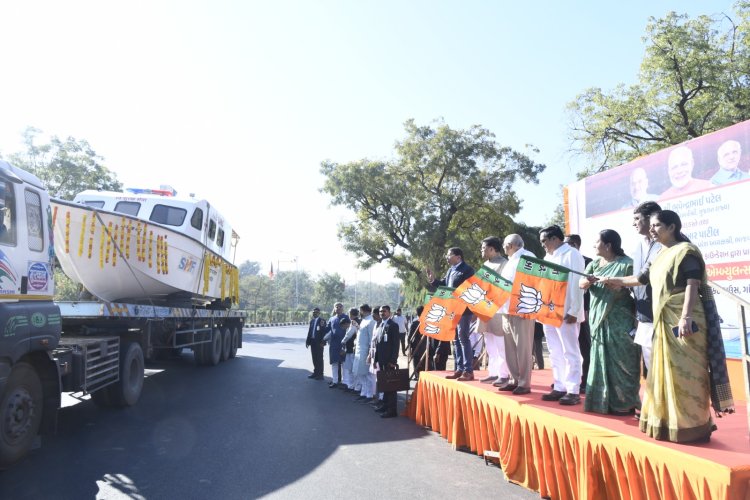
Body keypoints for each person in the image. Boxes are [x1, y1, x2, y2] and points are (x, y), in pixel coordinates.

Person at [603, 210, 734, 442]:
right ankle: (666, 424)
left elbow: (693, 285)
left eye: (656, 226)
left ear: (672, 227)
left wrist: (685, 317)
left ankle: (693, 426)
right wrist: (612, 280)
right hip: (663, 323)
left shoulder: (686, 251)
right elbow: (640, 279)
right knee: (664, 374)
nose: (651, 230)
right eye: (651, 226)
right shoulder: (659, 254)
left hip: (685, 323)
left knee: (688, 375)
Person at [579, 229, 640, 415]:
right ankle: (601, 402)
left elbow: (637, 288)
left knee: (623, 360)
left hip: (620, 318)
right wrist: (588, 282)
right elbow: (581, 283)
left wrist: (618, 283)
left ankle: (625, 403)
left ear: (608, 245)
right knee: (600, 358)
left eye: (597, 241)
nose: (593, 245)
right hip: (598, 317)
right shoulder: (594, 263)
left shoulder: (627, 264)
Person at [538, 225, 586, 406]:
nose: (543, 245)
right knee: (554, 350)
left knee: (570, 351)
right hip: (548, 311)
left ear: (555, 239)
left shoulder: (572, 254)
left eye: (544, 241)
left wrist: (574, 311)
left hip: (566, 311)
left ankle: (573, 390)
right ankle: (559, 386)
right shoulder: (547, 257)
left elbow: (577, 284)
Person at [426, 247, 476, 381]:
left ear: (458, 256)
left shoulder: (468, 270)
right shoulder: (450, 270)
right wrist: (433, 280)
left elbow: (470, 288)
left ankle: (468, 370)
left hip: (464, 310)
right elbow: (444, 285)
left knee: (463, 338)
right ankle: (459, 368)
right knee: (456, 340)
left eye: (449, 255)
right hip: (452, 309)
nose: (446, 257)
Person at [498, 234, 536, 394]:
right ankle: (514, 379)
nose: (503, 248)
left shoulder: (528, 257)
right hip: (506, 309)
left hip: (522, 309)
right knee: (510, 347)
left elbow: (532, 282)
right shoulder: (510, 261)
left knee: (523, 347)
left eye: (505, 245)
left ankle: (524, 383)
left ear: (511, 244)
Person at [630, 201, 662, 379]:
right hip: (644, 316)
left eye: (637, 219)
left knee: (666, 367)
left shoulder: (668, 243)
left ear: (651, 218)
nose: (633, 223)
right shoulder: (639, 246)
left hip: (664, 316)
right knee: (651, 367)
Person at [476, 236, 510, 386]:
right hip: (484, 307)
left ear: (491, 249)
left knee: (500, 343)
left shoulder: (505, 264)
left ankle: (504, 374)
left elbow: (505, 287)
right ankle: (493, 372)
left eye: (483, 248)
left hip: (498, 309)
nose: (481, 251)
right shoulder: (485, 265)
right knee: (489, 342)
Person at [564, 234, 592, 394]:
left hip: (583, 311)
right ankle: (568, 381)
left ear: (575, 245)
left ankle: (585, 380)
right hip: (566, 312)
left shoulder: (588, 262)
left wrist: (585, 309)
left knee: (584, 347)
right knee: (567, 348)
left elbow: (587, 290)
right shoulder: (561, 261)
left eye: (567, 244)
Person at [374, 305, 401, 418]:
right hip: (382, 360)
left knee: (391, 386)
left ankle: (392, 410)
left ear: (389, 312)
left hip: (389, 361)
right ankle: (385, 405)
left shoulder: (393, 325)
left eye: (384, 311)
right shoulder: (380, 325)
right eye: (380, 311)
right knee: (384, 384)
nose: (382, 313)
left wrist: (393, 361)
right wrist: (376, 359)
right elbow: (378, 344)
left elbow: (396, 345)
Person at [353, 304, 376, 403]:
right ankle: (363, 393)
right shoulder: (364, 320)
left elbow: (372, 338)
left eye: (360, 311)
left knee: (367, 375)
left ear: (363, 310)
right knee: (360, 373)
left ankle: (369, 395)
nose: (359, 313)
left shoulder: (371, 321)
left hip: (366, 351)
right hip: (359, 351)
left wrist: (370, 353)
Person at [325, 302, 349, 388]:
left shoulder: (347, 318)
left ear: (343, 308)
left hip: (344, 344)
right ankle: (335, 381)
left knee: (344, 363)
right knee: (334, 363)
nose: (338, 308)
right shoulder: (331, 319)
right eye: (336, 307)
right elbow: (327, 330)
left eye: (340, 307)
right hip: (334, 344)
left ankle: (345, 382)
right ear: (334, 308)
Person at [408, 305, 432, 376]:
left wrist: (410, 347)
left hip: (418, 349)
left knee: (418, 369)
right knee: (426, 369)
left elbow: (409, 338)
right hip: (425, 348)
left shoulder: (415, 323)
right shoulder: (427, 323)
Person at [341, 308, 360, 391]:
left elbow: (349, 334)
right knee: (350, 368)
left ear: (351, 314)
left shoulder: (353, 322)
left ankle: (353, 386)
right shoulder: (359, 321)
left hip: (352, 348)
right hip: (351, 348)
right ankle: (351, 385)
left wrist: (343, 341)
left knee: (352, 368)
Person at [305, 307, 326, 380]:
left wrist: (323, 342)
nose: (314, 313)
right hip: (313, 342)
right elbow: (310, 332)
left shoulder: (322, 321)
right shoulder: (312, 321)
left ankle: (320, 374)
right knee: (314, 358)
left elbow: (324, 332)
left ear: (319, 313)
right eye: (313, 312)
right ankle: (315, 372)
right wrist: (307, 341)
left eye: (316, 312)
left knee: (319, 358)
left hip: (319, 343)